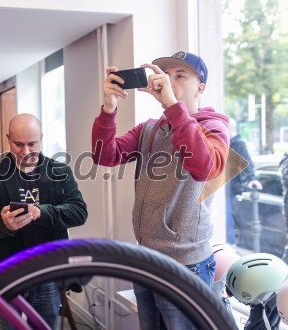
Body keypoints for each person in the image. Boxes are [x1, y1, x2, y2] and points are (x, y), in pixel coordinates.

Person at [91, 51, 229, 329]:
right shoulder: (150, 128)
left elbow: (204, 167)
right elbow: (103, 156)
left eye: (181, 76)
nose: (171, 81)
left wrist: (171, 105)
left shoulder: (214, 127)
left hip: (185, 264)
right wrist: (109, 109)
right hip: (147, 257)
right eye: (168, 75)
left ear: (200, 87)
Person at [0, 113, 88, 329]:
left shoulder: (59, 171)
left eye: (32, 144)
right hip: (6, 270)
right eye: (18, 144)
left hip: (46, 270)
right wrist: (1, 223)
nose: (25, 152)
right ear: (8, 139)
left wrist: (41, 212)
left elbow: (79, 212)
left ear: (41, 138)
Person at [226, 118, 262, 246]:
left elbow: (247, 163)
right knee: (226, 214)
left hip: (231, 187)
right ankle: (230, 242)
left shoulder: (238, 144)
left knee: (227, 214)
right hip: (228, 186)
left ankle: (230, 243)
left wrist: (252, 179)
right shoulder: (231, 143)